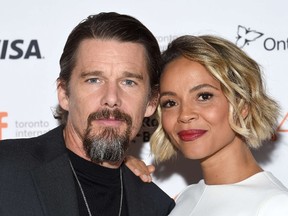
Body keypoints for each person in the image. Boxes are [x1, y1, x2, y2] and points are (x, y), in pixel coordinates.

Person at [0, 12, 175, 216]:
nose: (111, 97)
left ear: (151, 102)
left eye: (129, 82)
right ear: (64, 94)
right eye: (94, 80)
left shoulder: (158, 207)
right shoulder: (6, 170)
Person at [131, 34, 288, 215]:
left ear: (242, 105)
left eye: (204, 96)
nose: (185, 115)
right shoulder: (186, 198)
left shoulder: (275, 206)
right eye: (170, 103)